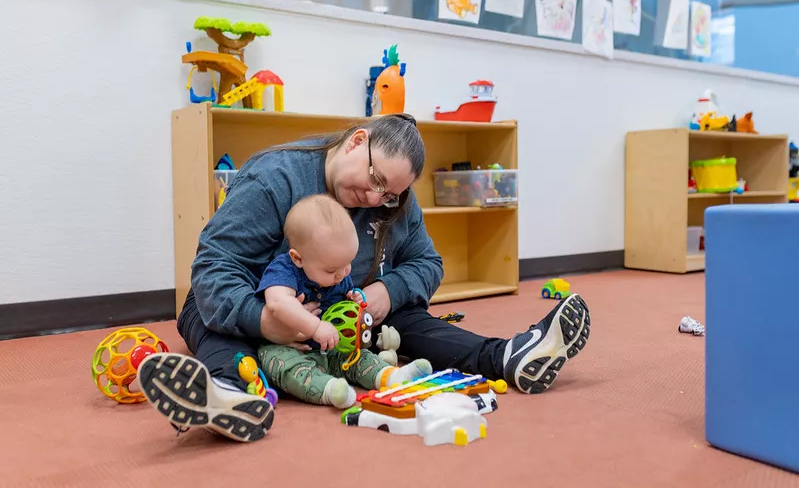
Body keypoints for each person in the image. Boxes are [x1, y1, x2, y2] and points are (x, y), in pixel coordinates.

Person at [138, 113, 591, 443]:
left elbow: (426, 263)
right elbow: (215, 267)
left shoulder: (394, 200)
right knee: (210, 315)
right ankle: (227, 392)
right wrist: (266, 321)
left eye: (390, 193)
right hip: (258, 309)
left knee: (407, 315)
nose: (375, 196)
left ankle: (507, 357)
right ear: (357, 141)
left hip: (340, 320)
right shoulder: (274, 178)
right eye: (374, 180)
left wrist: (384, 291)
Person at [256, 193, 433, 408]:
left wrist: (354, 298)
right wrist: (315, 327)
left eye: (348, 264)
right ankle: (330, 390)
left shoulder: (338, 271)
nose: (342, 274)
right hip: (291, 348)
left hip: (334, 348)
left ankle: (390, 377)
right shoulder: (284, 270)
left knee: (359, 356)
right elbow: (278, 303)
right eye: (332, 270)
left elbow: (346, 294)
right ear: (297, 258)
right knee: (283, 366)